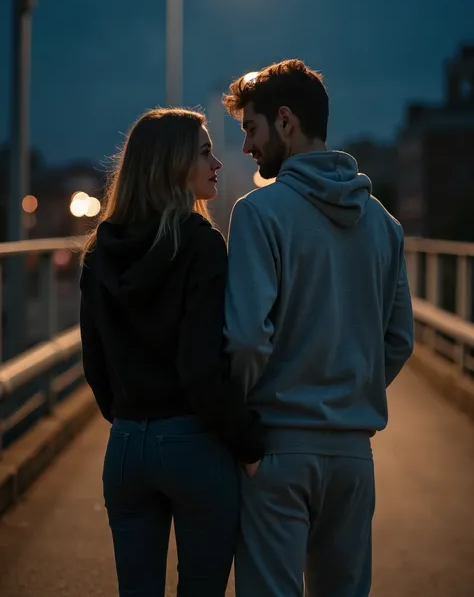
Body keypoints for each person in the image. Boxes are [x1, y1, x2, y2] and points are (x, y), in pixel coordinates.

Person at [222, 59, 414, 597]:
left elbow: (243, 338)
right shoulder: (385, 224)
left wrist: (244, 432)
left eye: (251, 130)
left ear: (285, 122)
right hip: (355, 455)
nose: (246, 149)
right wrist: (351, 393)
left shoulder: (259, 213)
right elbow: (399, 340)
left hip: (277, 450)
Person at [79, 107, 264, 597]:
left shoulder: (99, 251)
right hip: (192, 446)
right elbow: (201, 369)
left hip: (125, 449)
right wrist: (248, 446)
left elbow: (94, 365)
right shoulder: (201, 244)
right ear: (172, 164)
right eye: (205, 152)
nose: (217, 164)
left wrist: (130, 422)